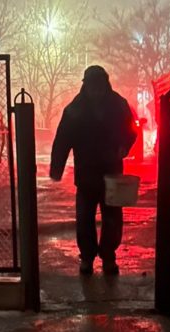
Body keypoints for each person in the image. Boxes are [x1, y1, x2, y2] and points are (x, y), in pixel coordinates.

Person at [49, 65, 137, 275]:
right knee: (84, 219)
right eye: (92, 86)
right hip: (86, 174)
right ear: (86, 86)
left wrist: (124, 145)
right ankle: (87, 257)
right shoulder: (75, 109)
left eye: (99, 86)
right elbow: (62, 140)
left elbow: (131, 129)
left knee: (112, 218)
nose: (96, 91)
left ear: (106, 85)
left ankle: (108, 256)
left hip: (111, 173)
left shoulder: (118, 105)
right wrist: (56, 167)